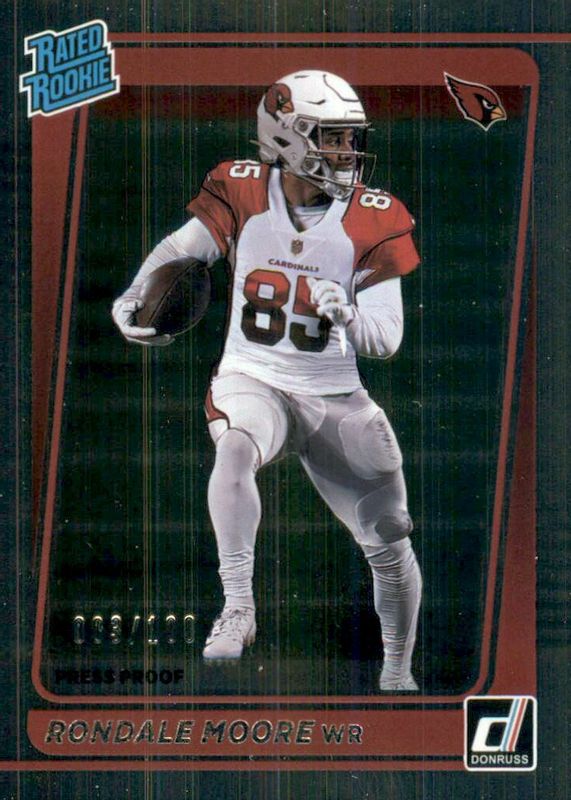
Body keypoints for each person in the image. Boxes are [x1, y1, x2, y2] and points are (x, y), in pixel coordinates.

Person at [112, 70, 422, 691]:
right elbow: (179, 252)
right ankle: (238, 606)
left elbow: (387, 338)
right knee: (234, 448)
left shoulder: (375, 215)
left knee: (390, 541)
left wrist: (347, 313)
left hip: (334, 393)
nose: (347, 151)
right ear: (285, 137)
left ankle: (397, 673)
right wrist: (133, 297)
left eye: (350, 138)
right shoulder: (242, 189)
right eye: (331, 137)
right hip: (255, 376)